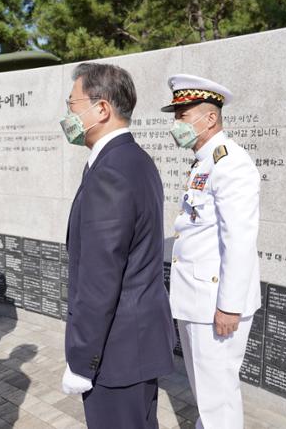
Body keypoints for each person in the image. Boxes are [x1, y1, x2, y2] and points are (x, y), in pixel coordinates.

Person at [60, 63, 175, 428]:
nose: (69, 114)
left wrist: (81, 361)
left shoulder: (112, 170)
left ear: (102, 109)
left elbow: (100, 279)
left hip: (117, 354)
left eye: (73, 104)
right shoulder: (131, 160)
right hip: (132, 348)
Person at [162, 74, 261, 429]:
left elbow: (239, 239)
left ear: (210, 118)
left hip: (215, 303)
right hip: (198, 299)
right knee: (207, 392)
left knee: (218, 397)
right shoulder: (204, 162)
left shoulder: (230, 162)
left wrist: (229, 306)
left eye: (183, 116)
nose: (177, 124)